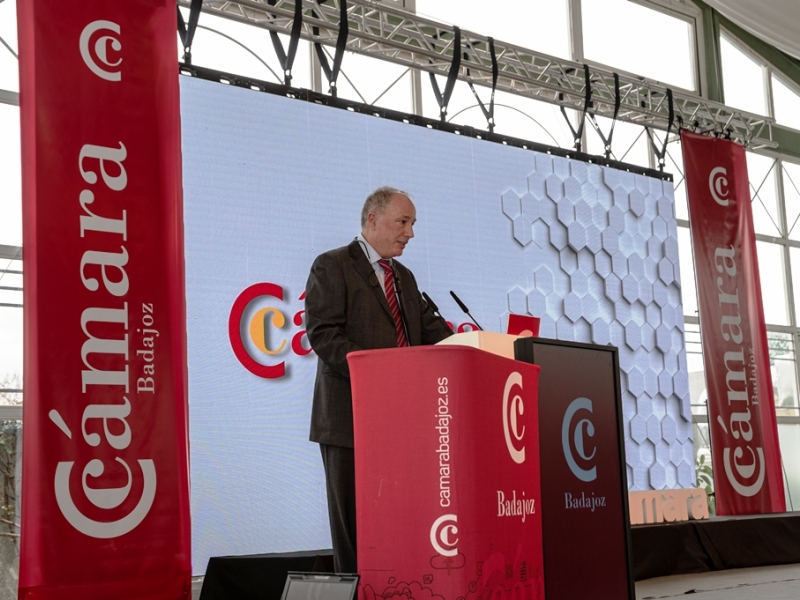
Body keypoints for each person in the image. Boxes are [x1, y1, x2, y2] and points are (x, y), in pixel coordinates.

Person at [305, 186, 453, 573]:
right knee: (355, 527)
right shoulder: (332, 264)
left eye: (413, 224)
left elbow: (432, 331)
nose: (410, 233)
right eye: (403, 222)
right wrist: (377, 377)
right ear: (372, 219)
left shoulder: (403, 276)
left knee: (398, 524)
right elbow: (323, 334)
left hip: (401, 424)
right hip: (350, 421)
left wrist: (479, 346)